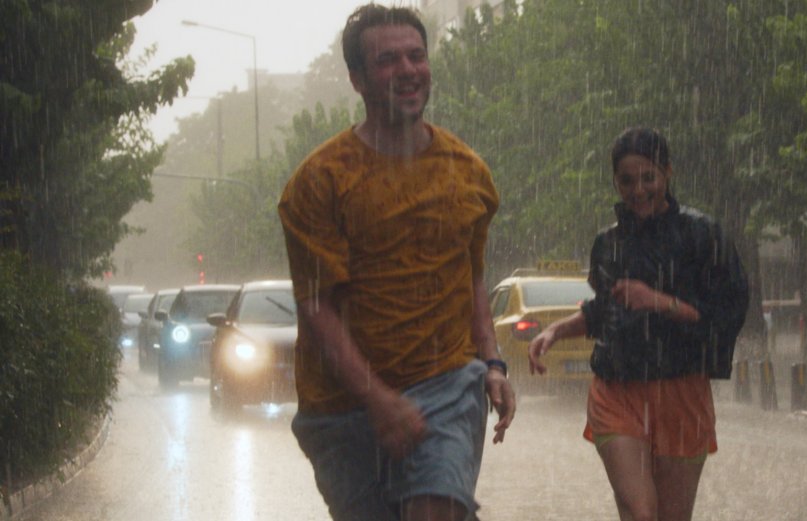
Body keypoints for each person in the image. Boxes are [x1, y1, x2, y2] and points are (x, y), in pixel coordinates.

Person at [277, 5, 515, 521]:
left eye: (416, 56)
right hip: (340, 405)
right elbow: (317, 307)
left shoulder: (468, 172)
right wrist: (377, 398)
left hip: (446, 383)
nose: (407, 70)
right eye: (387, 60)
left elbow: (471, 277)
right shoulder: (320, 181)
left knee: (434, 508)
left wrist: (492, 363)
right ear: (358, 79)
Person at [528, 127, 748, 521]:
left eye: (649, 177)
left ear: (668, 172)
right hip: (617, 390)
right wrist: (556, 330)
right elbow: (606, 311)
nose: (639, 190)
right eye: (627, 181)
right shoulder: (607, 244)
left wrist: (661, 302)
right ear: (615, 182)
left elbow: (725, 314)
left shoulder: (702, 235)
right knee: (641, 512)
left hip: (682, 392)